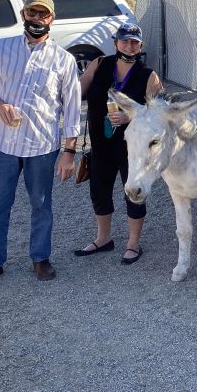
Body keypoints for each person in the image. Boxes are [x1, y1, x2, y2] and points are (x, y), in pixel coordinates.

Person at [0, 0, 81, 286]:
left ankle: (40, 258)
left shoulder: (64, 60)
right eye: (33, 13)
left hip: (41, 146)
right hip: (1, 142)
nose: (37, 19)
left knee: (41, 204)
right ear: (23, 14)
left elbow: (71, 108)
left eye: (43, 15)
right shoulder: (0, 49)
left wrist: (70, 151)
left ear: (51, 20)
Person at [74, 23, 163, 265]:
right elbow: (77, 91)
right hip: (101, 141)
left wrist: (129, 116)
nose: (129, 46)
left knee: (133, 191)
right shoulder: (100, 64)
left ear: (141, 46)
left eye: (134, 42)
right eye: (124, 41)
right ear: (116, 42)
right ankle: (103, 239)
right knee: (99, 189)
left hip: (131, 147)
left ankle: (133, 243)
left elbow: (158, 112)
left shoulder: (149, 75)